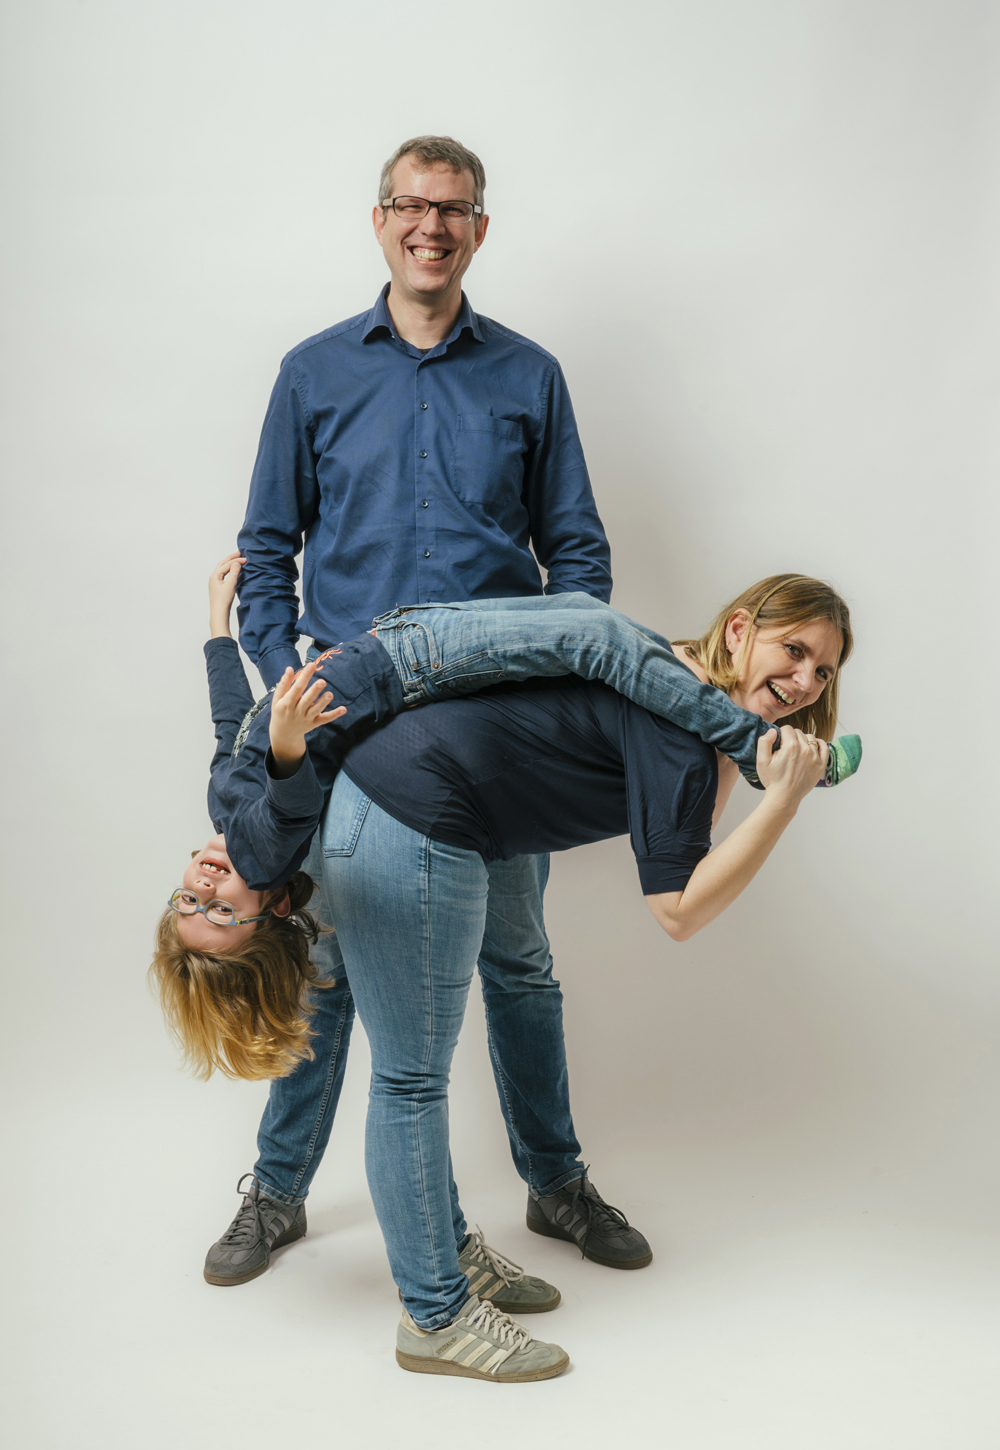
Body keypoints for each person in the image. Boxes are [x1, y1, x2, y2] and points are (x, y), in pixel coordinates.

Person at [152, 565, 856, 1372]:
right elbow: (680, 910)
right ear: (738, 631)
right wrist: (787, 795)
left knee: (427, 1061)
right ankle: (435, 1316)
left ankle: (448, 1250)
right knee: (411, 1080)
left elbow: (231, 731)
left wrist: (220, 624)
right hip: (410, 806)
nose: (806, 681)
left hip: (399, 739)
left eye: (823, 671)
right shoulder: (674, 714)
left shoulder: (674, 705)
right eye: (793, 652)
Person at [211, 128, 630, 1286]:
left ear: (478, 229)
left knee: (519, 960)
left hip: (495, 735)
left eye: (453, 210)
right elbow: (264, 550)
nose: (430, 227)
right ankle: (280, 1191)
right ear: (381, 219)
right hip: (351, 735)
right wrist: (283, 676)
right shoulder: (313, 371)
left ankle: (554, 1183)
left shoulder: (529, 374)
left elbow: (578, 555)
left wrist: (549, 676)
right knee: (328, 963)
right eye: (411, 205)